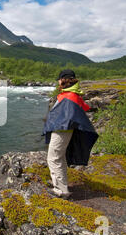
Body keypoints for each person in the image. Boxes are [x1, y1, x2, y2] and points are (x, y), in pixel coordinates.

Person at [42, 69, 99, 199]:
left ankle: (61, 191)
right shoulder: (73, 94)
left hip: (62, 130)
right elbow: (83, 108)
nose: (58, 81)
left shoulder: (69, 96)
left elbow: (66, 116)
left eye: (59, 79)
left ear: (64, 80)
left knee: (53, 158)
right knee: (60, 157)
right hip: (65, 130)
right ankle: (61, 185)